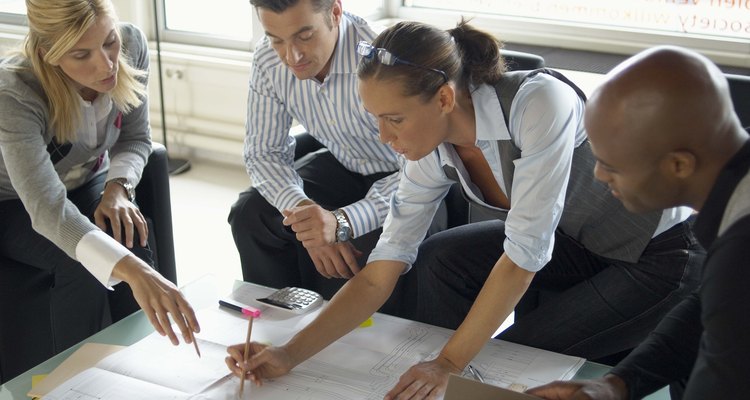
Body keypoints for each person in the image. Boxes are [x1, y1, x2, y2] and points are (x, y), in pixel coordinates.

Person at [225, 20, 704, 398]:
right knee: (440, 258)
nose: (385, 138)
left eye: (394, 119)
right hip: (573, 239)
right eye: (376, 120)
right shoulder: (430, 149)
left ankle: (448, 375)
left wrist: (451, 364)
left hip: (655, 255)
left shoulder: (540, 102)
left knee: (501, 362)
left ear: (445, 97)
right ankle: (429, 374)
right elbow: (380, 271)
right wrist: (289, 354)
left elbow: (522, 258)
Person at [527, 46, 750, 400]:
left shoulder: (741, 253)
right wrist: (616, 384)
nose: (599, 176)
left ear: (679, 165)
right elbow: (707, 306)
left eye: (612, 167)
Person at [0, 0, 199, 354]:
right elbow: (47, 210)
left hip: (85, 179)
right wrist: (139, 273)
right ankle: (78, 384)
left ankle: (149, 363)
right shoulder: (14, 92)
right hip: (14, 203)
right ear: (49, 54)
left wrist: (118, 188)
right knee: (80, 263)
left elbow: (136, 139)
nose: (106, 64)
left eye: (109, 41)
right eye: (81, 55)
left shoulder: (132, 45)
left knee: (130, 234)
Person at [228, 0, 435, 307]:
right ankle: (277, 327)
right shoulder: (267, 60)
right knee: (250, 213)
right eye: (276, 39)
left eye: (305, 36)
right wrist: (307, 219)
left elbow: (422, 166)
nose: (291, 56)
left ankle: (373, 346)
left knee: (373, 240)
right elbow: (263, 153)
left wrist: (340, 223)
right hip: (344, 161)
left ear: (335, 13)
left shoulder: (382, 57)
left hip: (414, 175)